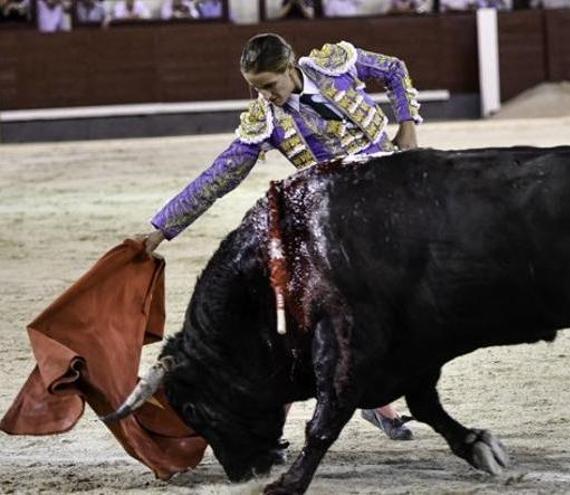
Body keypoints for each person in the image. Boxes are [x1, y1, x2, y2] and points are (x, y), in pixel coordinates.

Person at [136, 33, 421, 441]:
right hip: (337, 222)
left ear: (291, 68)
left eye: (270, 85)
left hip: (394, 197)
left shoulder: (334, 65)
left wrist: (406, 127)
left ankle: (374, 402)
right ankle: (277, 423)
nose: (265, 97)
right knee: (302, 324)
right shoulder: (265, 121)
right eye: (256, 88)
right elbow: (219, 177)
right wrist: (161, 229)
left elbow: (393, 68)